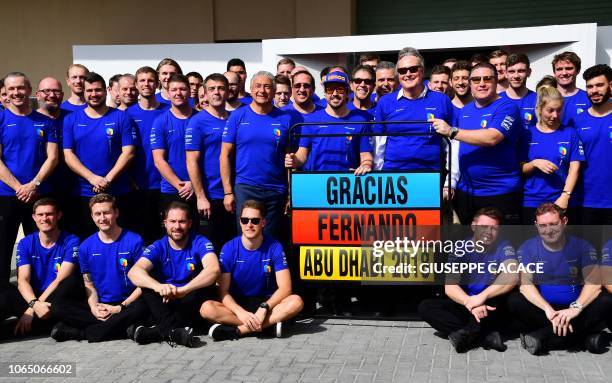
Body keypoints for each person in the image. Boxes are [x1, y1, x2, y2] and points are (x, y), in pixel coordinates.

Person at [508, 203, 611, 354]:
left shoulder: (582, 246)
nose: (548, 230)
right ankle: (585, 338)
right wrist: (547, 309)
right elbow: (525, 283)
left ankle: (543, 337)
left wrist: (575, 308)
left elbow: (594, 283)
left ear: (564, 222)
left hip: (576, 309)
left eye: (553, 224)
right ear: (536, 225)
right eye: (543, 225)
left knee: (607, 301)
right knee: (514, 301)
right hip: (545, 311)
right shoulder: (527, 248)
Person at [48, 194, 148, 343]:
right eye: (98, 214)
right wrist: (94, 308)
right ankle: (124, 329)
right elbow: (89, 285)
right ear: (92, 216)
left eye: (106, 212)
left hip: (128, 303)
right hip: (101, 305)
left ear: (116, 213)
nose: (102, 218)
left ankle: (82, 333)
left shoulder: (134, 240)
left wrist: (120, 307)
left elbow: (144, 283)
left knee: (144, 307)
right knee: (57, 307)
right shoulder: (85, 247)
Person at [432, 62, 522, 224]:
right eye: (476, 79)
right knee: (469, 245)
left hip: (500, 192)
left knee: (504, 246)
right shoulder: (465, 111)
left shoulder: (508, 107)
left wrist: (452, 131)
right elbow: (457, 148)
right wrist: (450, 183)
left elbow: (492, 138)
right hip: (467, 192)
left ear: (496, 81)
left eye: (487, 79)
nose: (481, 83)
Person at [200, 200, 303, 340]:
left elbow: (285, 288)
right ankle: (267, 326)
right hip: (238, 303)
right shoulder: (229, 248)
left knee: (296, 301)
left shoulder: (275, 246)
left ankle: (238, 331)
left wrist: (264, 307)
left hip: (266, 303)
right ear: (240, 222)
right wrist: (240, 312)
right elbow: (222, 291)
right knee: (207, 308)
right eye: (244, 220)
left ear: (263, 223)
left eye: (255, 220)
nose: (249, 225)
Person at [418, 207, 518, 352]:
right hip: (467, 303)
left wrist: (481, 298)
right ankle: (485, 336)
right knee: (426, 307)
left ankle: (468, 335)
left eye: (494, 228)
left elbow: (512, 275)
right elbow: (450, 286)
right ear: (473, 226)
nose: (488, 232)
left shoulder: (504, 246)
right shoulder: (460, 248)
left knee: (507, 303)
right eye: (484, 227)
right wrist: (470, 303)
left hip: (490, 304)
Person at [128, 201, 220, 347]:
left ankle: (157, 332)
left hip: (190, 297)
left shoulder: (200, 242)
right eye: (172, 221)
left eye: (182, 221)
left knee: (206, 288)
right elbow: (134, 272)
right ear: (165, 223)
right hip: (167, 300)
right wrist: (158, 286)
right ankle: (174, 332)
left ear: (190, 223)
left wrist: (184, 290)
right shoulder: (158, 246)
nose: (177, 226)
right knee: (147, 287)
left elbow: (213, 270)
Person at [220, 71, 296, 238]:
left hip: (276, 191)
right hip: (246, 188)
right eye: (258, 86)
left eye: (267, 86)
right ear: (250, 88)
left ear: (274, 90)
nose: (262, 90)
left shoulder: (286, 119)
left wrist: (290, 193)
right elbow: (225, 155)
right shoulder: (237, 116)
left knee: (270, 240)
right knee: (247, 238)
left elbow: (290, 160)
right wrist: (228, 192)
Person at [62, 72, 136, 239]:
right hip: (83, 192)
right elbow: (68, 154)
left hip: (117, 190)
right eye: (89, 91)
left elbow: (129, 152)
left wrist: (107, 179)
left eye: (98, 90)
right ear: (84, 92)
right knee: (85, 240)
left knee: (119, 240)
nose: (94, 94)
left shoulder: (121, 117)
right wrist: (92, 178)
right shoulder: (71, 119)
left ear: (106, 91)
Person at [0, 72, 59, 283]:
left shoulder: (45, 122)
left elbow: (52, 158)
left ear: (29, 89)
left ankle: (40, 295)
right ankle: (4, 298)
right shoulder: (1, 119)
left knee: (41, 245)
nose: (16, 93)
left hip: (39, 194)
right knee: (3, 246)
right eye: (11, 89)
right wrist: (19, 187)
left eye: (20, 88)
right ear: (5, 92)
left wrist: (33, 185)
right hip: (7, 195)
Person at [0, 198, 79, 336]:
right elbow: (22, 280)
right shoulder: (25, 243)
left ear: (58, 215)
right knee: (3, 288)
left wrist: (30, 310)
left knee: (69, 284)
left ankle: (40, 325)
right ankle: (44, 325)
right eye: (40, 215)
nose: (45, 218)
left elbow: (60, 279)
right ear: (34, 217)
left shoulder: (71, 241)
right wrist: (34, 304)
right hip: (34, 298)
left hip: (55, 297)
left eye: (49, 214)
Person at [373, 47, 454, 171]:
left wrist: (451, 181)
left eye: (413, 69)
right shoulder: (385, 102)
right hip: (393, 176)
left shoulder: (442, 100)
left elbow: (452, 142)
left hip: (430, 176)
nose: (408, 74)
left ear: (422, 71)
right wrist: (378, 176)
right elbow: (378, 144)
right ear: (398, 75)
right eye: (402, 70)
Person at [285, 70, 373, 175]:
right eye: (330, 89)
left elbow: (366, 155)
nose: (335, 94)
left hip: (346, 182)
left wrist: (366, 165)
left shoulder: (360, 120)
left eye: (340, 89)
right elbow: (302, 155)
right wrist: (294, 160)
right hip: (317, 182)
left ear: (347, 92)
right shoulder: (311, 120)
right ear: (325, 93)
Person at [186, 73, 237, 251]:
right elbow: (191, 161)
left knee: (235, 246)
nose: (216, 93)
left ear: (228, 92)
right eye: (212, 89)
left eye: (221, 88)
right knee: (213, 248)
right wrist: (200, 197)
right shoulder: (197, 122)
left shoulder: (236, 118)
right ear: (205, 94)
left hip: (237, 193)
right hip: (212, 196)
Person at [519, 86, 584, 224]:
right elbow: (519, 169)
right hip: (532, 201)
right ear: (540, 109)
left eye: (559, 110)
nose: (555, 115)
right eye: (550, 110)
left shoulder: (570, 133)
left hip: (559, 200)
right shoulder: (527, 135)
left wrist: (565, 196)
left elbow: (575, 169)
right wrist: (535, 163)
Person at [126, 66, 169, 243]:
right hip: (138, 185)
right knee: (142, 235)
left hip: (166, 184)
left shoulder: (169, 111)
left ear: (157, 83)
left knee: (166, 235)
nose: (146, 84)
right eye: (142, 80)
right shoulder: (127, 114)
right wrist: (128, 178)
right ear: (136, 84)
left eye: (150, 80)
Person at [150, 74, 198, 226]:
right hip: (172, 190)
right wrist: (180, 185)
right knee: (174, 235)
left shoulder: (201, 119)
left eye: (183, 89)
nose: (178, 93)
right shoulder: (160, 122)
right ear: (168, 93)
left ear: (190, 91)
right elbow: (159, 160)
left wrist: (194, 183)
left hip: (200, 188)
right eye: (174, 89)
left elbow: (208, 157)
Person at [575, 64, 612, 225]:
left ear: (610, 86)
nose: (594, 90)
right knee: (588, 250)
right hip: (586, 201)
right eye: (589, 86)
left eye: (599, 85)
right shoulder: (577, 121)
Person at [500, 53, 537, 129]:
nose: (516, 76)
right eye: (512, 71)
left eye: (521, 71)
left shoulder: (538, 99)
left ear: (529, 72)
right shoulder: (496, 100)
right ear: (505, 73)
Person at [553, 51, 590, 128]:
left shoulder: (588, 98)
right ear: (554, 72)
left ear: (578, 70)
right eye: (559, 69)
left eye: (569, 68)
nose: (564, 73)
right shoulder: (544, 97)